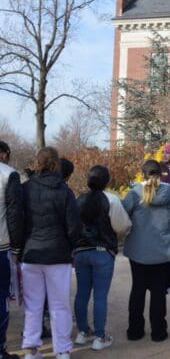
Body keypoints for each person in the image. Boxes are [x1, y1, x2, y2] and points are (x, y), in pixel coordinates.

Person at [21, 147, 80, 359]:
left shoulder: (25, 188)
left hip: (31, 253)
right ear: (56, 163)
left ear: (38, 162)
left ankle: (31, 348)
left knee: (33, 305)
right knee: (60, 305)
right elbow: (73, 226)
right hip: (58, 254)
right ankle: (62, 350)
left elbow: (18, 221)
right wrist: (71, 247)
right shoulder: (64, 191)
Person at [122, 159, 170, 342]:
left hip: (138, 250)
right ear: (161, 173)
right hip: (163, 251)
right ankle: (158, 331)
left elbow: (123, 215)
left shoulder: (134, 193)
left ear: (143, 174)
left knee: (137, 289)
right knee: (158, 291)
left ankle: (135, 330)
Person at [73, 165, 132, 351]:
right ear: (107, 181)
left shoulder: (79, 199)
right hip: (102, 252)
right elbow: (122, 226)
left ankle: (83, 333)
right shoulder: (112, 200)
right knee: (100, 296)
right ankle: (100, 336)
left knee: (81, 293)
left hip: (80, 251)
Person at [0, 141, 23, 359]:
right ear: (4, 154)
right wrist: (17, 247)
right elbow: (15, 214)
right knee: (0, 299)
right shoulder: (9, 175)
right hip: (1, 246)